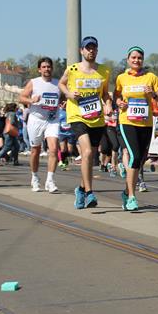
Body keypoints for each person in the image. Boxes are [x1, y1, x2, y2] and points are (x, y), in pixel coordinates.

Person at [59, 36, 113, 209]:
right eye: (87, 48)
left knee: (90, 157)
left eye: (93, 48)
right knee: (87, 151)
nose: (91, 51)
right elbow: (61, 84)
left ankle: (81, 189)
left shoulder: (104, 70)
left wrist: (108, 104)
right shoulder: (72, 69)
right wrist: (68, 94)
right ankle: (90, 193)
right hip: (77, 115)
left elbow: (105, 93)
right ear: (81, 50)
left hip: (96, 117)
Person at [115, 46, 158, 211]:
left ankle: (126, 192)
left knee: (140, 160)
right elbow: (117, 96)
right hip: (127, 122)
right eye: (133, 57)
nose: (136, 60)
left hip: (146, 123)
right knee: (135, 156)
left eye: (139, 58)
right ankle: (132, 197)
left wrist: (153, 94)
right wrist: (119, 103)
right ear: (128, 59)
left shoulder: (151, 77)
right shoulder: (122, 78)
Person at [18, 57, 60, 193]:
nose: (47, 69)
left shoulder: (58, 83)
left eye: (49, 67)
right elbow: (21, 97)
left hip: (52, 120)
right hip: (36, 120)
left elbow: (63, 98)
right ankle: (35, 177)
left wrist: (64, 102)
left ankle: (50, 180)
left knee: (53, 149)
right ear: (39, 70)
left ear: (52, 68)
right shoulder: (34, 82)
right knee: (35, 150)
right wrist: (31, 100)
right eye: (44, 67)